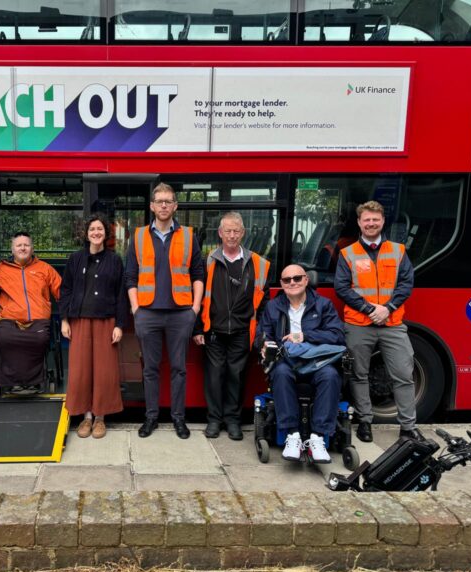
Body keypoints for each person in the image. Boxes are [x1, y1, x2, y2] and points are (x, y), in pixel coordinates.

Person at [334, 200, 421, 443]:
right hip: (359, 324)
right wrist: (368, 308)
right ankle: (364, 422)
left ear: (382, 221)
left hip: (392, 323)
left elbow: (406, 283)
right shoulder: (347, 253)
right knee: (358, 375)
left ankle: (407, 427)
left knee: (403, 374)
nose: (371, 223)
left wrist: (388, 308)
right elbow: (341, 287)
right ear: (360, 223)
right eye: (366, 220)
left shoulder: (398, 250)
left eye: (375, 219)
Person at [124, 183, 205, 439]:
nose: (163, 205)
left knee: (179, 368)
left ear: (175, 206)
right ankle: (151, 418)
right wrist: (136, 308)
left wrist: (195, 308)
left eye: (168, 201)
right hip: (147, 312)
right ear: (151, 206)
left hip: (181, 313)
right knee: (150, 368)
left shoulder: (189, 236)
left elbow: (198, 274)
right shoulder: (137, 236)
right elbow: (131, 276)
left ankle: (179, 419)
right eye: (159, 201)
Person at [193, 212, 270, 441]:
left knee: (236, 376)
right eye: (228, 231)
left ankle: (233, 421)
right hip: (214, 331)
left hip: (242, 331)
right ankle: (214, 421)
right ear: (220, 233)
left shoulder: (259, 264)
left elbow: (264, 302)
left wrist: (262, 334)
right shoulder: (208, 261)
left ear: (243, 233)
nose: (232, 235)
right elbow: (197, 298)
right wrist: (198, 329)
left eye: (236, 231)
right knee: (214, 377)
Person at [258, 265, 345, 464]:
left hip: (317, 363)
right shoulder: (273, 306)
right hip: (286, 362)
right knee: (280, 373)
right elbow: (262, 335)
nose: (292, 283)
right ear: (281, 284)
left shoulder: (323, 305)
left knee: (331, 375)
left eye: (297, 278)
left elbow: (338, 335)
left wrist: (304, 336)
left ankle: (318, 438)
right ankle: (292, 435)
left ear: (306, 280)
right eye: (287, 280)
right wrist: (263, 345)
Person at [59, 214, 127, 439]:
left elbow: (120, 294)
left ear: (106, 234)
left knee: (105, 371)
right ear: (86, 234)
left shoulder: (115, 260)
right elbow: (66, 290)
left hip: (106, 321)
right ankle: (86, 417)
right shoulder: (75, 259)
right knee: (81, 370)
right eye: (92, 229)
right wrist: (64, 319)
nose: (96, 233)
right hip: (79, 321)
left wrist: (119, 324)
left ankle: (100, 418)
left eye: (100, 229)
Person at [0, 231, 61, 393]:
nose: (23, 248)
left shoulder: (45, 269)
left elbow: (62, 291)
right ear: (12, 250)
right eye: (19, 245)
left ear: (32, 249)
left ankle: (33, 381)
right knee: (4, 339)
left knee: (40, 339)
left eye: (26, 245)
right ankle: (12, 381)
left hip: (38, 320)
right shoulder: (1, 269)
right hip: (8, 319)